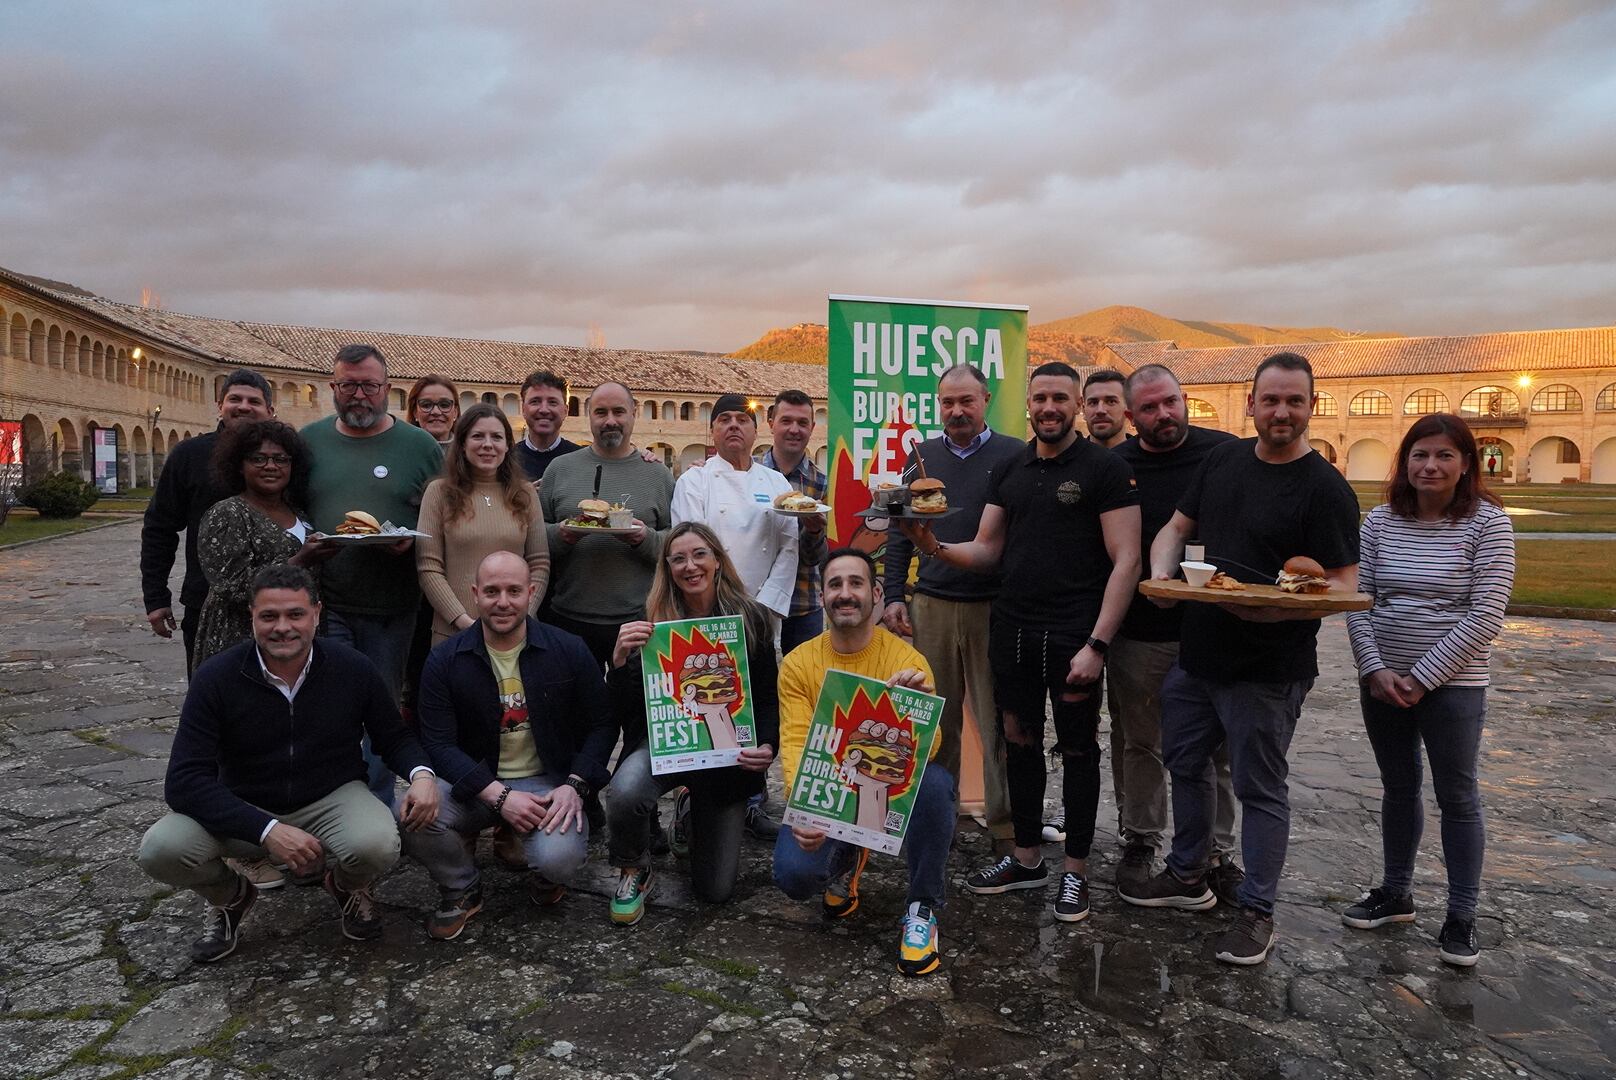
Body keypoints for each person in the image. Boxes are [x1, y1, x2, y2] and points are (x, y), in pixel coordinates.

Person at [1125, 351, 1361, 967]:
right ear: (1251, 404)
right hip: (1199, 655)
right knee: (1184, 761)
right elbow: (1176, 527)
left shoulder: (1326, 488)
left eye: (1295, 401)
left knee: (1260, 789)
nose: (1281, 411)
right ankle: (1188, 875)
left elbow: (1341, 585)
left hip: (1269, 668)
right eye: (1271, 399)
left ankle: (1258, 911)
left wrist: (1275, 612)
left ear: (1311, 407)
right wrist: (1160, 575)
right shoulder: (1224, 459)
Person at [905, 361, 1140, 925]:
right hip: (1013, 626)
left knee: (1080, 749)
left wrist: (1098, 643)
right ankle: (1028, 857)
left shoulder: (1104, 469)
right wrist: (932, 545)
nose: (1049, 408)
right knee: (1018, 741)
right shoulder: (1011, 466)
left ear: (1078, 404)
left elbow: (1126, 560)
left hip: (1074, 633)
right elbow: (988, 549)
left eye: (1061, 398)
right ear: (1027, 404)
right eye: (1040, 398)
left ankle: (1077, 872)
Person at [137, 564, 440, 962]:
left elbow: (394, 736)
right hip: (245, 803)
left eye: (295, 614)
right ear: (252, 616)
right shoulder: (216, 678)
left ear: (317, 612)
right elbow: (182, 782)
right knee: (161, 849)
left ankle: (346, 887)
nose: (283, 627)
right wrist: (267, 830)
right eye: (269, 616)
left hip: (331, 795)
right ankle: (232, 897)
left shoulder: (352, 668)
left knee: (378, 844)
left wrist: (421, 775)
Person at [1342, 413, 1514, 967]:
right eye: (1420, 454)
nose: (1430, 465)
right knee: (1398, 785)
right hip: (1385, 681)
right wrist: (1375, 669)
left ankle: (1461, 914)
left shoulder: (1487, 523)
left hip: (1454, 686)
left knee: (1457, 795)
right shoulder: (1379, 522)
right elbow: (1359, 599)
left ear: (1466, 464)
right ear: (1405, 461)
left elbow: (1486, 612)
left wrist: (1423, 676)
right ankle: (1396, 893)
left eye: (1443, 455)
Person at [404, 552, 615, 940]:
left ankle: (546, 875)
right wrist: (499, 797)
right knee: (411, 813)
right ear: (475, 594)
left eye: (514, 591)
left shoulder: (568, 649)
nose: (503, 602)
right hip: (477, 783)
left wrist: (576, 784)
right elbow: (437, 741)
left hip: (548, 784)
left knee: (560, 861)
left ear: (531, 593)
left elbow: (603, 725)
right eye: (492, 591)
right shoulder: (444, 659)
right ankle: (462, 885)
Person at [773, 548, 956, 978]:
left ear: (876, 593)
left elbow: (931, 750)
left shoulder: (907, 660)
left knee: (935, 784)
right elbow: (796, 741)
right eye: (834, 584)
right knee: (794, 877)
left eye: (855, 583)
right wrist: (804, 810)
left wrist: (920, 712)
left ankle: (922, 908)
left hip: (889, 789)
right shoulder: (799, 664)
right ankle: (848, 857)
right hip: (832, 789)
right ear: (822, 598)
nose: (845, 593)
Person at [1106, 365, 1243, 900]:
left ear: (1184, 399)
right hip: (1141, 630)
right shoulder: (1116, 465)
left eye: (1169, 403)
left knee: (1217, 749)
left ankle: (1217, 852)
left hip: (1212, 627)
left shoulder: (1225, 453)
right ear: (1130, 416)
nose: (1162, 415)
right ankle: (1141, 838)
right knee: (1141, 741)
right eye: (1148, 408)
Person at [604, 523, 780, 924]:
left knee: (715, 891)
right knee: (625, 792)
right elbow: (622, 706)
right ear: (667, 568)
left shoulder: (750, 618)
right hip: (666, 743)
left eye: (699, 554)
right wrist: (617, 663)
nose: (690, 566)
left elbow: (768, 697)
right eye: (678, 558)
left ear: (718, 560)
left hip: (726, 753)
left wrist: (768, 746)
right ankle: (635, 867)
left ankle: (688, 808)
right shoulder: (650, 621)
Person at [881, 363, 1021, 849]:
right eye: (947, 403)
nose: (957, 411)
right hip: (933, 605)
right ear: (938, 405)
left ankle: (1006, 829)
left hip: (991, 607)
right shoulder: (921, 458)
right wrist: (895, 594)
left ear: (986, 399)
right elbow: (901, 531)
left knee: (998, 720)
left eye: (966, 401)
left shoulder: (1014, 455)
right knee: (935, 720)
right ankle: (936, 822)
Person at [301, 343, 444, 808]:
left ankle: (377, 808)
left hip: (393, 605)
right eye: (348, 385)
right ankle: (334, 806)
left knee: (381, 709)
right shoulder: (309, 442)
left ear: (387, 389)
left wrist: (413, 541)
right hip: (328, 602)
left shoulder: (419, 446)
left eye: (369, 385)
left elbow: (443, 513)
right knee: (331, 710)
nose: (359, 395)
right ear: (332, 388)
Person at [141, 369, 276, 672]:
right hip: (205, 600)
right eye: (234, 399)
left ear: (270, 410)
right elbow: (159, 527)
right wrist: (156, 595)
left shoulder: (284, 455)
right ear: (219, 405)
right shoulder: (190, 454)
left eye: (253, 401)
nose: (243, 406)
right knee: (210, 694)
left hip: (279, 602)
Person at [537, 381, 675, 668]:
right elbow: (533, 539)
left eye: (618, 412)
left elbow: (676, 545)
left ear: (634, 414)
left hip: (640, 622)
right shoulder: (560, 469)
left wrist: (644, 538)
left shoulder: (658, 475)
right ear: (589, 416)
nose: (610, 421)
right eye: (601, 412)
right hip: (568, 619)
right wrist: (562, 534)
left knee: (631, 708)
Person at [193, 420, 326, 668]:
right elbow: (229, 586)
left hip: (293, 636)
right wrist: (300, 561)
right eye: (258, 459)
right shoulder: (228, 513)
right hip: (240, 638)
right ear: (239, 466)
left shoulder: (298, 513)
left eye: (281, 459)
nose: (270, 467)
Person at [416, 404, 549, 645]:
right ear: (462, 443)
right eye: (477, 436)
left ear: (508, 445)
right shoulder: (439, 493)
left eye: (496, 437)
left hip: (517, 635)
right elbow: (428, 567)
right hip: (454, 634)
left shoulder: (525, 494)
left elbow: (539, 563)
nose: (487, 444)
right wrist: (463, 621)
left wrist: (521, 616)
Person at [671, 393, 798, 627]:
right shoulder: (693, 482)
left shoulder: (777, 482)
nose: (733, 425)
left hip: (762, 611)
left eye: (742, 419)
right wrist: (718, 604)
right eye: (724, 419)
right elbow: (691, 550)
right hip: (710, 611)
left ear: (755, 431)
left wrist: (765, 605)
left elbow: (789, 547)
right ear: (712, 431)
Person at [758, 390, 829, 656]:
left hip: (803, 604)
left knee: (804, 686)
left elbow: (817, 558)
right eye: (786, 421)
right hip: (757, 600)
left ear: (812, 427)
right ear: (771, 423)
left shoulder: (821, 483)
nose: (794, 430)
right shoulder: (749, 474)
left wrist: (814, 532)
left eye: (802, 423)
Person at [512, 370, 580, 482]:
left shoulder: (581, 460)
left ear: (565, 411)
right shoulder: (506, 460)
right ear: (523, 409)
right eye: (535, 401)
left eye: (552, 402)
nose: (544, 410)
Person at [406, 374, 461, 448]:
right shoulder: (400, 454)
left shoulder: (470, 455)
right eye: (426, 405)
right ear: (415, 412)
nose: (436, 412)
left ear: (455, 412)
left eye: (444, 405)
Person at [1082, 368, 1129, 449]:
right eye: (1093, 403)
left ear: (1128, 408)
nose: (1100, 410)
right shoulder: (1069, 460)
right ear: (1083, 410)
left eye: (1111, 402)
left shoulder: (1146, 460)